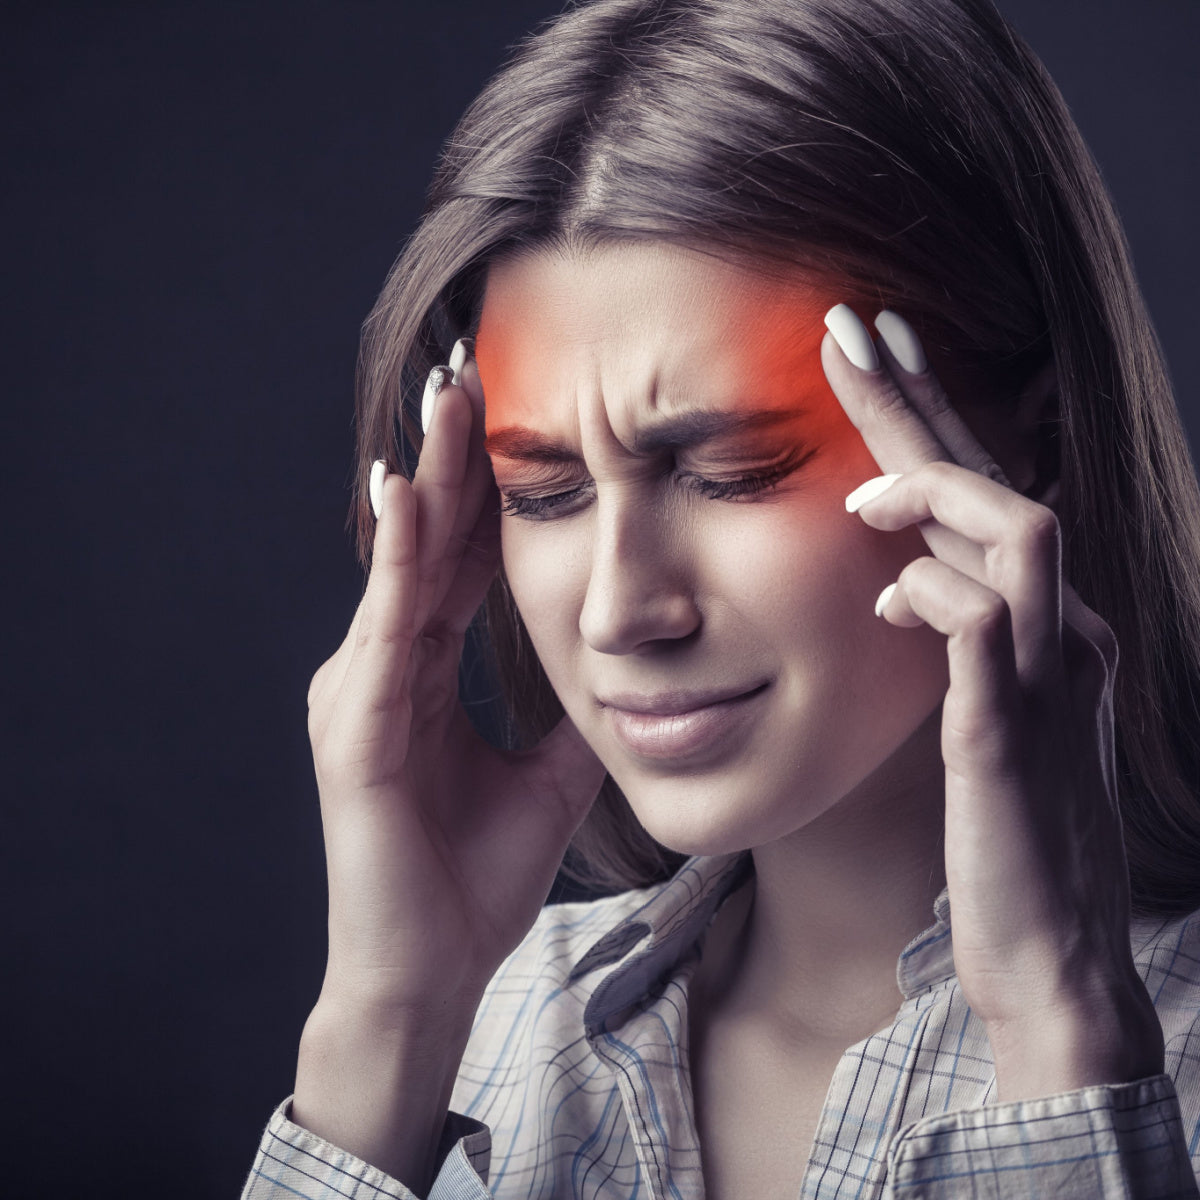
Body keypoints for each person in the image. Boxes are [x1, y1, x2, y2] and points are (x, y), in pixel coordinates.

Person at [241, 0, 1200, 1195]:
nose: (616, 613)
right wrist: (387, 1025)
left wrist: (1062, 1016)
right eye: (541, 493)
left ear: (1037, 444)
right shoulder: (490, 1037)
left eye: (733, 471)